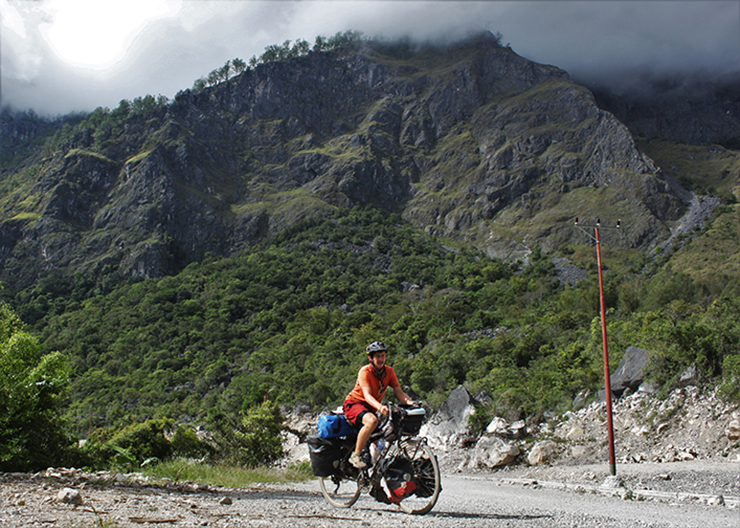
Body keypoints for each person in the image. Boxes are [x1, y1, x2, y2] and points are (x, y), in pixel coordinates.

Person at [343, 340, 416, 469]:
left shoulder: (389, 372)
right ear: (370, 358)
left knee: (381, 445)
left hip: (372, 408)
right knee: (372, 421)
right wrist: (381, 408)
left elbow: (399, 392)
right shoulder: (365, 372)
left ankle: (375, 484)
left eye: (383, 355)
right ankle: (356, 454)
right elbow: (367, 395)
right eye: (377, 356)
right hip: (354, 403)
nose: (381, 359)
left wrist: (411, 403)